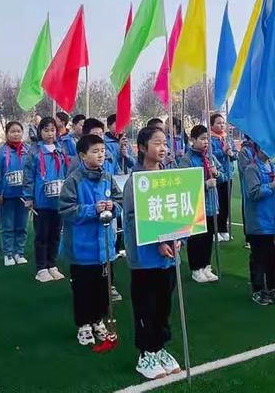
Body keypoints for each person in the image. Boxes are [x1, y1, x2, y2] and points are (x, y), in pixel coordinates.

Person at [123, 126, 181, 380]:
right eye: (157, 143)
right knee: (146, 306)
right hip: (145, 259)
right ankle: (146, 353)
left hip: (168, 259)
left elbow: (179, 212)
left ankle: (160, 347)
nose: (162, 148)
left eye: (165, 144)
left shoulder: (171, 178)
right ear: (142, 148)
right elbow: (133, 219)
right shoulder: (135, 181)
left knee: (164, 306)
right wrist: (156, 241)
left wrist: (180, 239)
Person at [59, 134, 121, 346]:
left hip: (104, 246)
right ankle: (83, 324)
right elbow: (66, 210)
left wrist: (113, 208)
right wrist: (91, 209)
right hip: (81, 248)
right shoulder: (73, 180)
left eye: (102, 151)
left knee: (102, 287)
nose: (100, 155)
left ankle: (98, 320)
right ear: (82, 155)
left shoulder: (107, 178)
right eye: (95, 151)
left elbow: (119, 201)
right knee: (83, 288)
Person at [243, 143, 275, 305]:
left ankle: (273, 287)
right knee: (259, 258)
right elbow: (253, 192)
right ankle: (258, 290)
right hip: (260, 221)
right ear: (257, 148)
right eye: (265, 146)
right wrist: (272, 185)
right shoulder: (252, 169)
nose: (269, 150)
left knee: (274, 257)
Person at [23, 117, 68, 282]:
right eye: (46, 130)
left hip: (58, 201)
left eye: (53, 130)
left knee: (56, 234)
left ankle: (52, 264)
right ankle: (41, 268)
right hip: (41, 202)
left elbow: (66, 172)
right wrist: (28, 197)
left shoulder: (60, 150)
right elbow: (28, 176)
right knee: (42, 235)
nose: (50, 134)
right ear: (40, 132)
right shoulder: (35, 152)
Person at [179, 125, 226, 283]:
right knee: (196, 238)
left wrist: (217, 174)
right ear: (193, 140)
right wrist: (205, 184)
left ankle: (206, 265)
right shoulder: (187, 159)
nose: (206, 142)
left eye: (207, 139)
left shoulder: (210, 157)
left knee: (208, 237)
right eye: (202, 139)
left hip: (212, 204)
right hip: (196, 206)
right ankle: (196, 268)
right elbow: (184, 183)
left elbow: (224, 176)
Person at [0, 121, 30, 266]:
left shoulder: (28, 150)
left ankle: (18, 252)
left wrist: (30, 193)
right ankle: (8, 254)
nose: (16, 134)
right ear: (7, 133)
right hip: (6, 196)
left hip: (24, 196)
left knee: (22, 226)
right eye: (13, 131)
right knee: (7, 226)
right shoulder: (0, 152)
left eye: (19, 131)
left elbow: (32, 172)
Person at [210, 113, 237, 242]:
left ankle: (223, 228)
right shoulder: (210, 139)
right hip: (216, 175)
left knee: (226, 203)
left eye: (223, 123)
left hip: (228, 174)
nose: (221, 125)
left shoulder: (228, 138)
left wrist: (231, 153)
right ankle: (215, 230)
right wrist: (223, 152)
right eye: (218, 123)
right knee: (217, 202)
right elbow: (210, 155)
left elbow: (235, 154)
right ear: (211, 125)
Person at [238, 135, 255, 247]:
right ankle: (248, 238)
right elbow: (245, 170)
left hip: (260, 184)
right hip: (248, 186)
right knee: (248, 211)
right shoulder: (245, 151)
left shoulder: (259, 148)